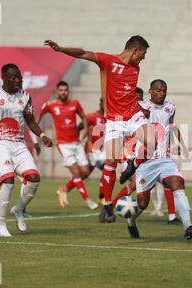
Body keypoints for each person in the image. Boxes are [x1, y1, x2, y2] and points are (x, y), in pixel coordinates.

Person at [44, 36, 154, 223]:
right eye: (143, 54)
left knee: (152, 142)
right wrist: (61, 49)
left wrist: (140, 108)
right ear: (135, 50)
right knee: (110, 161)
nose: (143, 58)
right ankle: (107, 205)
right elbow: (82, 53)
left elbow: (127, 94)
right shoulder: (108, 60)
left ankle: (131, 166)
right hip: (114, 120)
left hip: (133, 114)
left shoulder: (135, 68)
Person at [0, 63, 53, 237]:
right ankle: (1, 225)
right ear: (4, 78)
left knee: (34, 178)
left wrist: (42, 135)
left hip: (19, 144)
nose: (18, 81)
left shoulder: (25, 96)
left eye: (19, 78)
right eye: (14, 78)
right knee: (8, 181)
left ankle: (19, 209)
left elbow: (30, 121)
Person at [126, 79, 192, 240]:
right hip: (146, 161)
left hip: (165, 159)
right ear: (150, 91)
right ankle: (131, 220)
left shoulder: (170, 108)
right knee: (142, 204)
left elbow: (170, 127)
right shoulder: (141, 108)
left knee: (178, 184)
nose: (161, 93)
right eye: (158, 90)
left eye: (164, 90)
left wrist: (178, 144)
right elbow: (131, 130)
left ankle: (188, 226)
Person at [37, 81, 98, 210]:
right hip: (63, 145)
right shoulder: (51, 105)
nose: (63, 92)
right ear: (57, 92)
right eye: (61, 90)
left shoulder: (74, 103)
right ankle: (88, 200)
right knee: (76, 173)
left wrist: (86, 129)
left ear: (68, 91)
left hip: (76, 143)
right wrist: (39, 133)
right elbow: (38, 116)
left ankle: (63, 189)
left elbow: (83, 117)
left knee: (85, 172)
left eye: (65, 90)